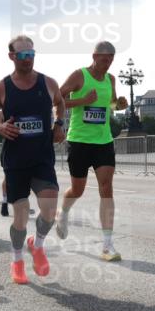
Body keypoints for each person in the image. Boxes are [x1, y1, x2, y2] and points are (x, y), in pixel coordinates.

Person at [0, 35, 66, 284]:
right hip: (16, 162)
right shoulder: (2, 87)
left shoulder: (48, 82)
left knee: (49, 210)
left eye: (31, 54)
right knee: (20, 217)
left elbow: (60, 103)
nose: (28, 59)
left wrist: (60, 123)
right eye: (22, 55)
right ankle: (17, 258)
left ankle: (37, 245)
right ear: (12, 56)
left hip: (42, 158)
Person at [54, 41, 128, 261]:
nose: (108, 64)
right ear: (94, 56)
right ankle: (63, 212)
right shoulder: (79, 76)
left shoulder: (111, 79)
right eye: (104, 59)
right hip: (79, 140)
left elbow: (111, 104)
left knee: (106, 187)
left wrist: (119, 105)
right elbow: (57, 99)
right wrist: (83, 100)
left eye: (111, 60)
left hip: (103, 140)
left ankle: (107, 245)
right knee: (77, 189)